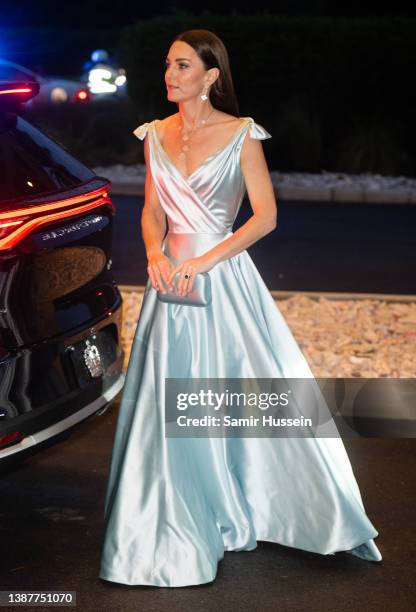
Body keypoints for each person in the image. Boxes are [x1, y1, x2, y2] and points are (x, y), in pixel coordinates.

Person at [99, 29, 382, 588]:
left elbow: (265, 216)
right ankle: (173, 520)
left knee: (247, 389)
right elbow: (153, 213)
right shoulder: (154, 135)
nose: (170, 75)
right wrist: (155, 253)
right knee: (167, 401)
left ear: (210, 77)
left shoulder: (241, 135)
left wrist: (205, 261)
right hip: (169, 284)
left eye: (182, 66)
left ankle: (268, 505)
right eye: (167, 66)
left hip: (221, 279)